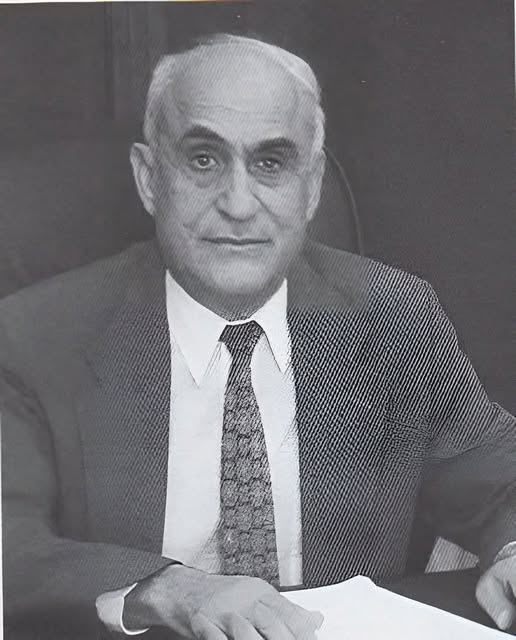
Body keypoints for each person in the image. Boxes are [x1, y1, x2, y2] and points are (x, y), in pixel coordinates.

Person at [1, 34, 515, 640]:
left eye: (270, 164)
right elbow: (12, 543)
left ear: (312, 186)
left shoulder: (391, 317)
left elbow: (501, 481)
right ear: (149, 178)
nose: (239, 205)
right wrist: (165, 587)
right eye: (203, 160)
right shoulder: (35, 338)